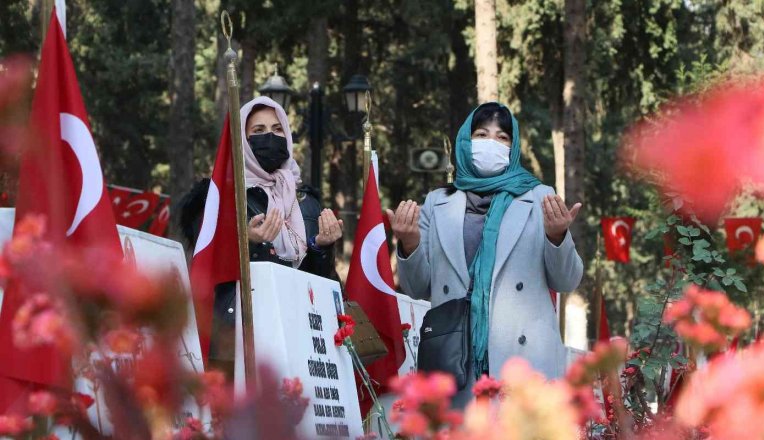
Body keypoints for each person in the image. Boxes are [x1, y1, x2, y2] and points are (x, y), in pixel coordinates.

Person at [388, 102, 583, 407]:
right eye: (481, 134)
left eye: (502, 137)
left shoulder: (539, 197)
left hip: (524, 361)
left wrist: (557, 236)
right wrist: (409, 243)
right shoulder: (437, 202)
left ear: (513, 147)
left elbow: (567, 280)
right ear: (466, 142)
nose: (491, 143)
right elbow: (417, 287)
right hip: (456, 357)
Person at [177, 96, 343, 375]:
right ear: (242, 139)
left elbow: (317, 280)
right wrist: (247, 242)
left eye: (278, 130)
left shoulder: (305, 202)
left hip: (297, 337)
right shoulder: (217, 197)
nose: (270, 137)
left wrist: (321, 248)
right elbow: (206, 260)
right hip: (235, 340)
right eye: (258, 131)